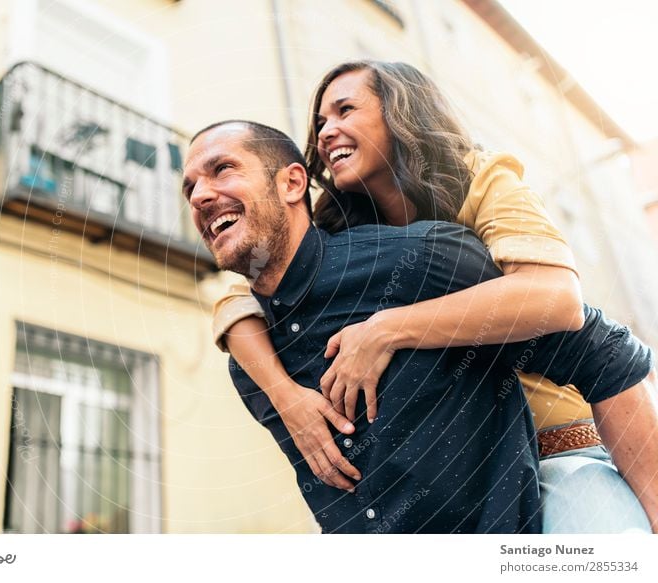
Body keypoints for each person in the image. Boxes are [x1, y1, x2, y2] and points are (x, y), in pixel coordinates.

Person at [211, 61, 658, 534]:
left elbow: (556, 298)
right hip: (466, 477)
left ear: (402, 110)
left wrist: (386, 330)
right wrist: (287, 399)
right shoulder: (340, 231)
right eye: (320, 122)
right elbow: (238, 298)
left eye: (345, 110)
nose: (326, 132)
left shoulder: (481, 179)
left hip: (561, 448)